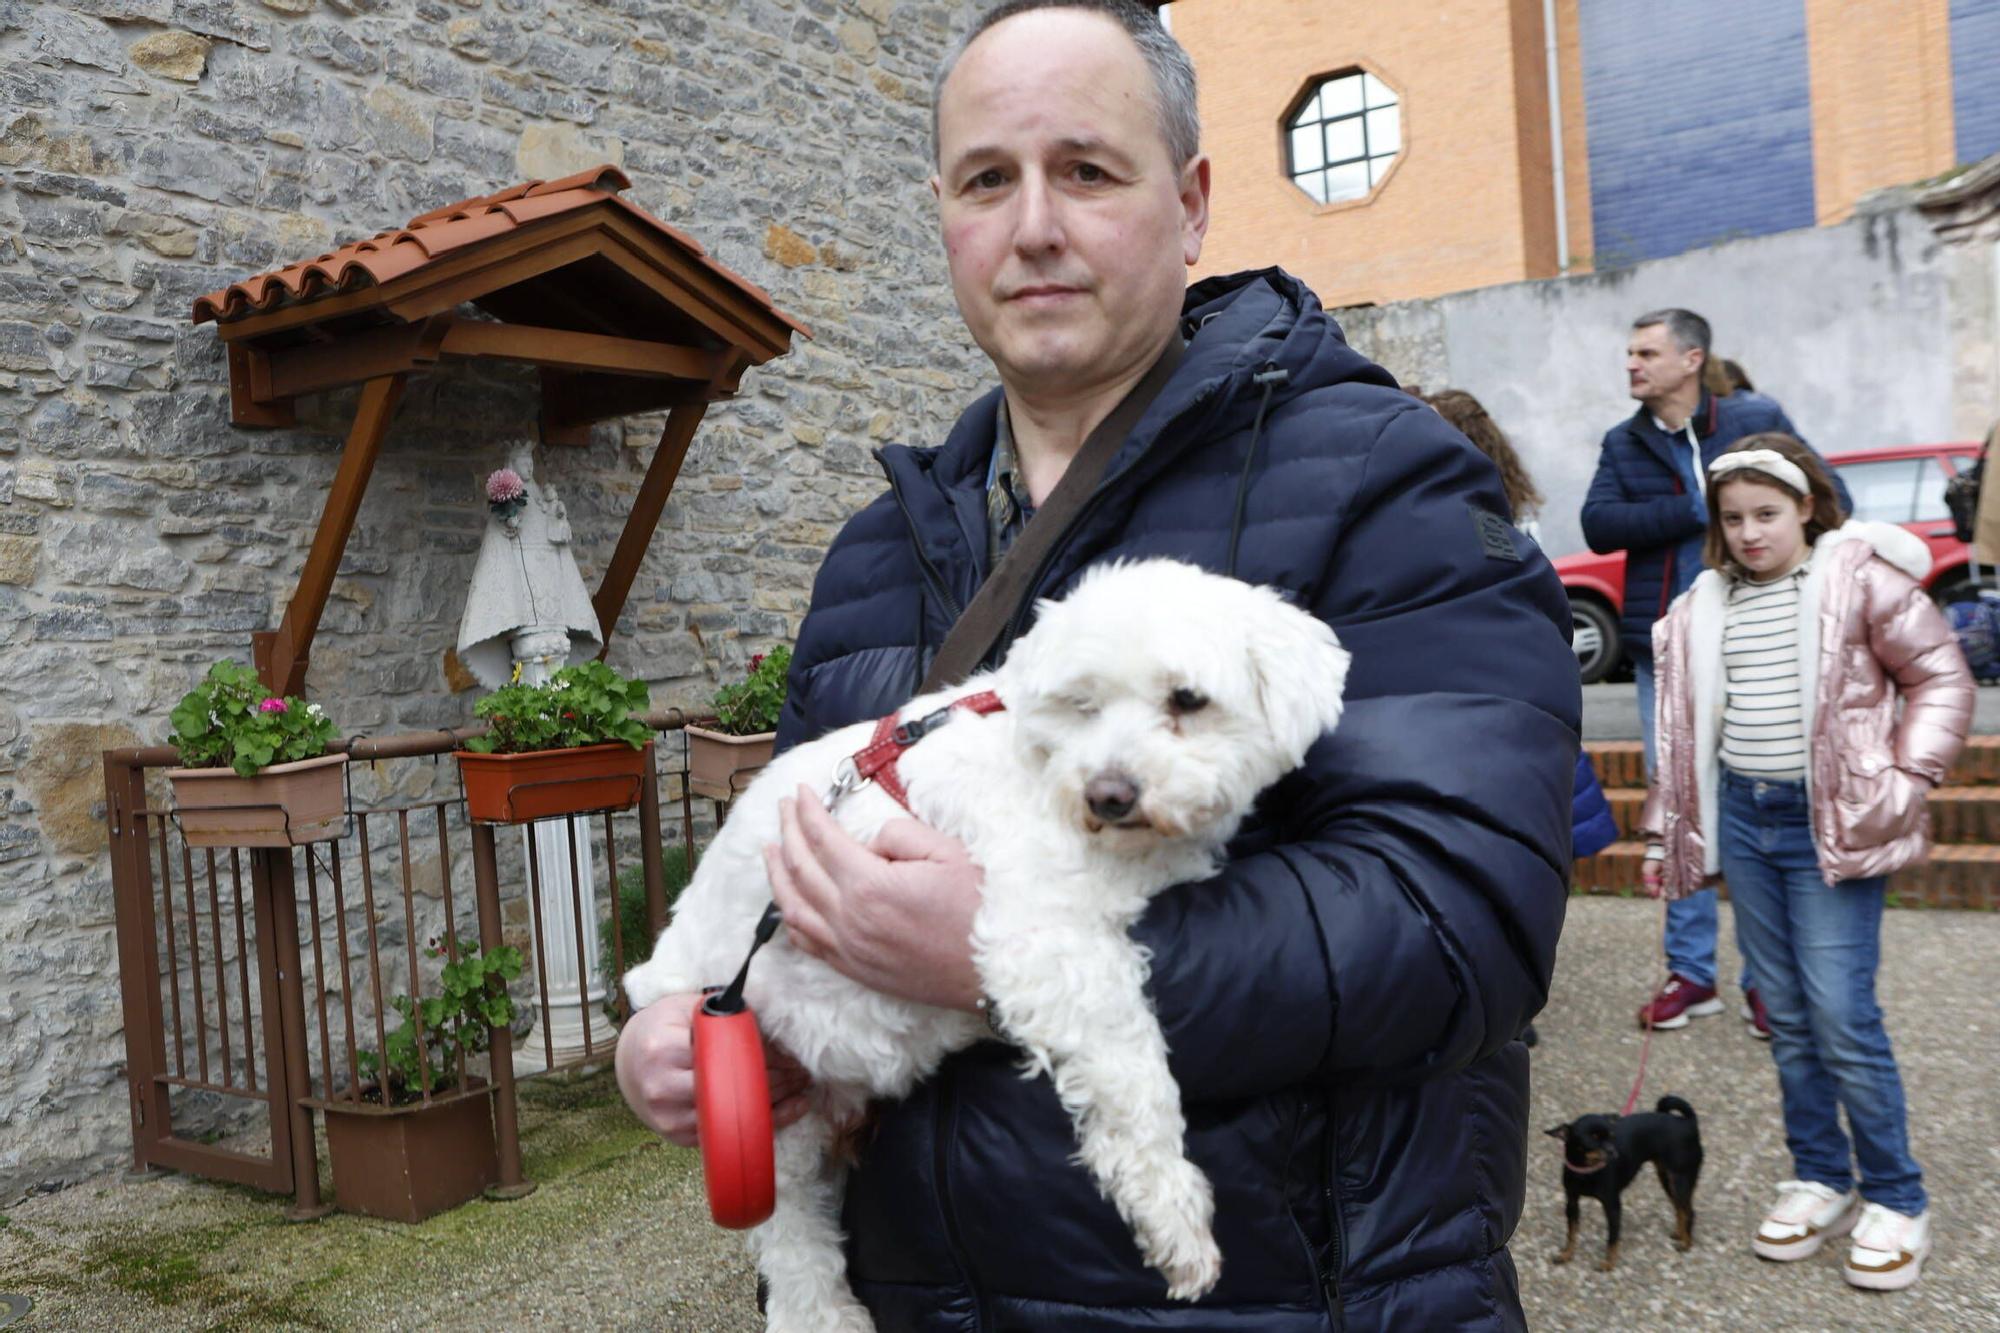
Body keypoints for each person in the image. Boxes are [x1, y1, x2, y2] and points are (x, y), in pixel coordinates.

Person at [617, 3, 1576, 1327]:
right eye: (986, 180)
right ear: (944, 215)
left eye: (1086, 170)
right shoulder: (876, 556)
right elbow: (796, 888)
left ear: (1189, 206)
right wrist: (695, 1034)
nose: (1034, 227)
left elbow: (1459, 919)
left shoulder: (1384, 485)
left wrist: (995, 953)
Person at [1639, 434, 1971, 1292]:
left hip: (1835, 826)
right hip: (1748, 821)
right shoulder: (1701, 605)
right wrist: (1663, 829)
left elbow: (1941, 674)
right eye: (1733, 518)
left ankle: (1897, 1195)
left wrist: (1907, 776)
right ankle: (1820, 1176)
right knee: (1784, 1011)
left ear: (1810, 508)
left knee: (1841, 1015)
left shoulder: (1860, 581)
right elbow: (1680, 735)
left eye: (1768, 514)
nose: (1750, 533)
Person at [1580, 308, 1850, 1036]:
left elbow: (1831, 502)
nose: (1631, 364)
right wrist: (1700, 509)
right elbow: (1600, 524)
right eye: (1629, 351)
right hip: (1664, 652)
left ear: (1691, 358)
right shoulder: (1625, 439)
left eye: (1646, 352)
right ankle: (1692, 973)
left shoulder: (1755, 416)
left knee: (1756, 805)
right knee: (1680, 808)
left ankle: (1768, 980)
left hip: (1765, 645)